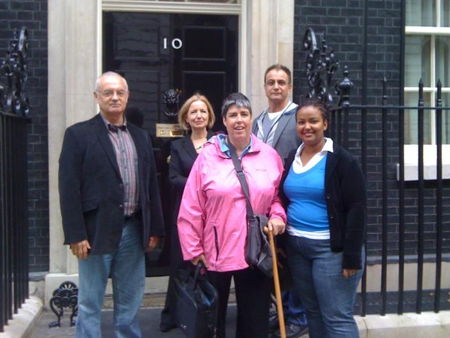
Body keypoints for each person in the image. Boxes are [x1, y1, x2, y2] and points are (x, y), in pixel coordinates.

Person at [59, 71, 164, 338]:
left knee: (130, 301)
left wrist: (155, 228)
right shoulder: (78, 135)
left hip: (133, 229)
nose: (114, 97)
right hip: (95, 232)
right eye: (108, 92)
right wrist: (76, 234)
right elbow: (68, 189)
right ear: (97, 98)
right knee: (90, 301)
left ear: (127, 97)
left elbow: (151, 186)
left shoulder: (141, 136)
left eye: (119, 92)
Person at [177, 92, 286, 338]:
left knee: (254, 322)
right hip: (215, 251)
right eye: (233, 115)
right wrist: (194, 250)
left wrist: (278, 217)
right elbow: (191, 205)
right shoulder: (207, 156)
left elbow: (277, 197)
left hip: (255, 252)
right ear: (224, 121)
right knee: (212, 323)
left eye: (244, 114)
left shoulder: (269, 156)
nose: (239, 120)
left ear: (251, 119)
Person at [281, 98, 366, 338]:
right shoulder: (291, 158)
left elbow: (356, 209)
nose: (307, 127)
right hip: (298, 249)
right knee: (313, 313)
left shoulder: (342, 161)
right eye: (301, 122)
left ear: (325, 124)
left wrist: (351, 257)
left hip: (331, 251)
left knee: (336, 317)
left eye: (313, 121)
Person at [252, 64, 307, 338]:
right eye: (271, 81)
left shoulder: (298, 116)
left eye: (281, 82)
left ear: (289, 86)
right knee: (274, 258)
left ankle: (298, 315)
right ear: (265, 86)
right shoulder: (257, 120)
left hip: (289, 197)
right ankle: (281, 311)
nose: (276, 86)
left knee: (292, 258)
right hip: (263, 201)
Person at [160, 93, 216, 332]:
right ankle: (176, 314)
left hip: (213, 216)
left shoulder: (219, 142)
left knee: (211, 267)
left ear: (209, 116)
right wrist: (200, 185)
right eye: (193, 112)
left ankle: (209, 313)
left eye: (203, 111)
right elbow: (173, 179)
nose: (198, 115)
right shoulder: (177, 145)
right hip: (184, 215)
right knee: (180, 267)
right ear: (186, 118)